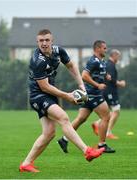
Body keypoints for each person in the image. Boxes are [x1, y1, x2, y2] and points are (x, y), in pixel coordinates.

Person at [19, 29, 105, 173]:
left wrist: (81, 85)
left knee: (49, 133)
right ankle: (87, 150)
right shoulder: (37, 61)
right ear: (37, 42)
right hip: (38, 96)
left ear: (52, 41)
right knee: (63, 118)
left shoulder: (58, 51)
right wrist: (67, 96)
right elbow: (44, 87)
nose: (44, 43)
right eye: (41, 40)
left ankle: (26, 164)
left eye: (47, 40)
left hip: (48, 94)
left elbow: (71, 66)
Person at [58, 40, 115, 154]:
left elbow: (98, 73)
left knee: (81, 119)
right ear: (97, 48)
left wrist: (106, 76)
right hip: (93, 94)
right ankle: (101, 145)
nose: (106, 50)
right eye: (104, 48)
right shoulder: (93, 61)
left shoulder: (101, 61)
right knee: (106, 117)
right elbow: (84, 75)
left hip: (88, 94)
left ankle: (64, 139)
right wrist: (97, 85)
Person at [92, 49, 126, 139]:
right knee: (116, 110)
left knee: (110, 111)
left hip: (107, 90)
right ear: (114, 55)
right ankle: (108, 132)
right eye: (118, 56)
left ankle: (98, 123)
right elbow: (110, 79)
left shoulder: (108, 64)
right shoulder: (110, 65)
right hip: (109, 91)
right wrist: (120, 83)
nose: (119, 58)